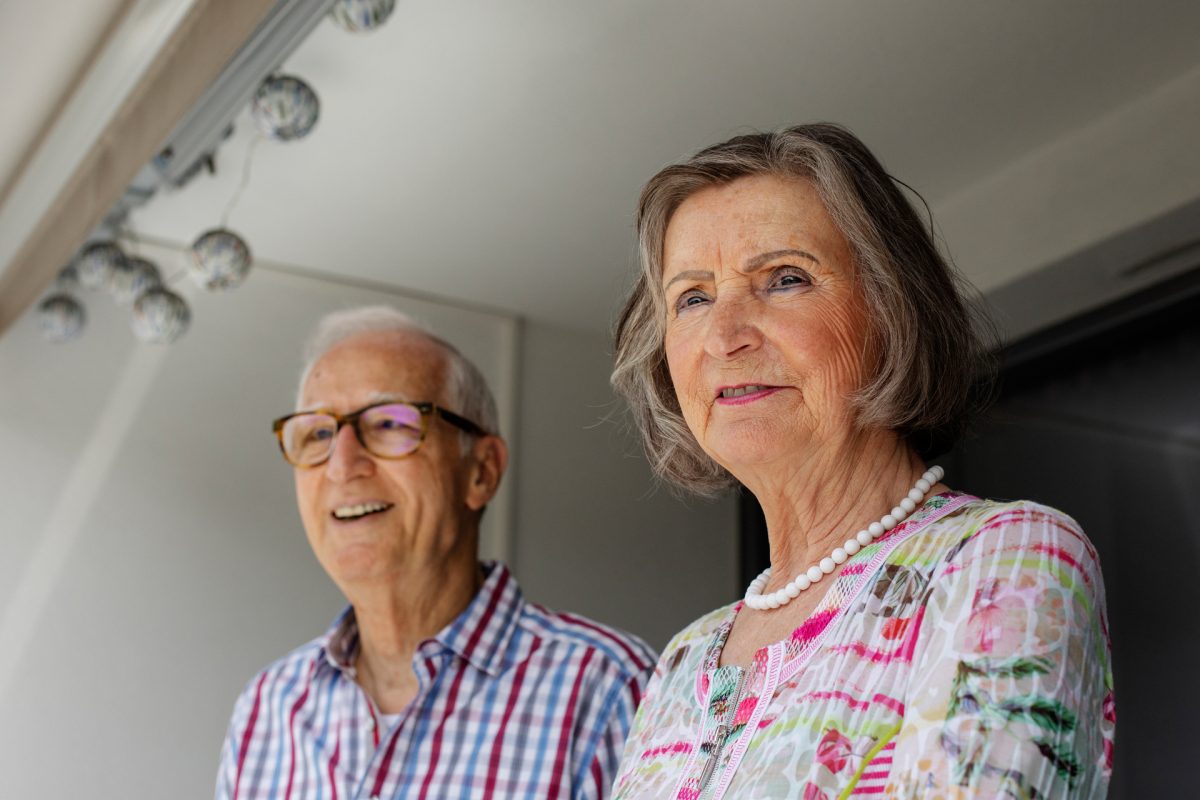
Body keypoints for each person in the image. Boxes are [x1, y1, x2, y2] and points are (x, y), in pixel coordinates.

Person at [608, 124, 1114, 798]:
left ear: (891, 309)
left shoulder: (1000, 561)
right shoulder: (684, 659)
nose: (724, 337)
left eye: (784, 279)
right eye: (693, 298)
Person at [216, 306, 655, 800]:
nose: (341, 466)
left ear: (481, 471)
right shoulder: (267, 710)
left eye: (388, 423)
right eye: (318, 434)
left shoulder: (610, 689)